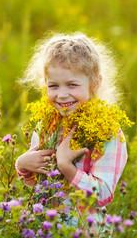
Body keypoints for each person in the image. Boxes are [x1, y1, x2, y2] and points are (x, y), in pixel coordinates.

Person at [16, 32, 128, 232]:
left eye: (72, 85)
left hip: (85, 229)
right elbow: (38, 185)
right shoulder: (46, 125)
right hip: (46, 227)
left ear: (94, 84)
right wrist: (23, 166)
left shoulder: (108, 133)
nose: (61, 94)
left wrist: (67, 167)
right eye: (53, 86)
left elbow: (102, 195)